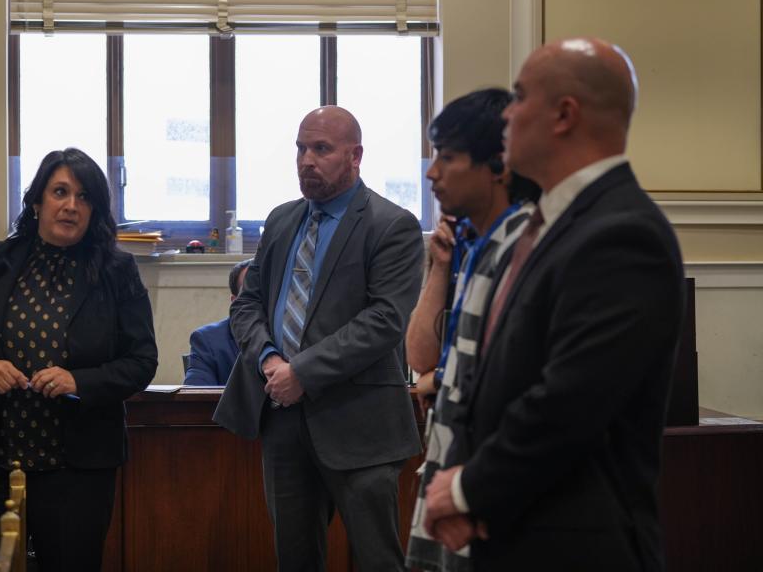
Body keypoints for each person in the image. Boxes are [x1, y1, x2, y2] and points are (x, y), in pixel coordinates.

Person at [422, 38, 685, 571]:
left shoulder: (621, 232)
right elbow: (502, 376)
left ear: (564, 115)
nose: (507, 116)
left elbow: (568, 403)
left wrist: (469, 487)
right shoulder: (553, 222)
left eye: (519, 97)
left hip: (576, 544)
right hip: (514, 525)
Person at [214, 106, 425, 572]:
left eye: (322, 149)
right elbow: (248, 305)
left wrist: (302, 373)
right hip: (283, 421)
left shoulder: (392, 226)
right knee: (295, 560)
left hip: (360, 424)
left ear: (356, 156)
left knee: (377, 561)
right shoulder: (282, 220)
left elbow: (385, 319)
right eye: (301, 148)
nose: (306, 160)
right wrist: (270, 360)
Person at [0, 148, 158, 572]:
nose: (71, 205)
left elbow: (141, 361)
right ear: (37, 201)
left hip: (78, 468)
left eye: (84, 196)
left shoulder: (117, 271)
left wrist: (80, 382)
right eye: (60, 192)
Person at [404, 88, 540, 572]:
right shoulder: (471, 241)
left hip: (488, 476)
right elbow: (421, 358)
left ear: (498, 165)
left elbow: (516, 376)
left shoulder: (527, 245)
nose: (431, 173)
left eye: (448, 157)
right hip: (452, 458)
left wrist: (437, 382)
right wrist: (439, 268)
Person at [183, 258, 251, 386]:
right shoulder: (208, 341)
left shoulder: (293, 339)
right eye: (249, 293)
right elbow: (197, 397)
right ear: (235, 302)